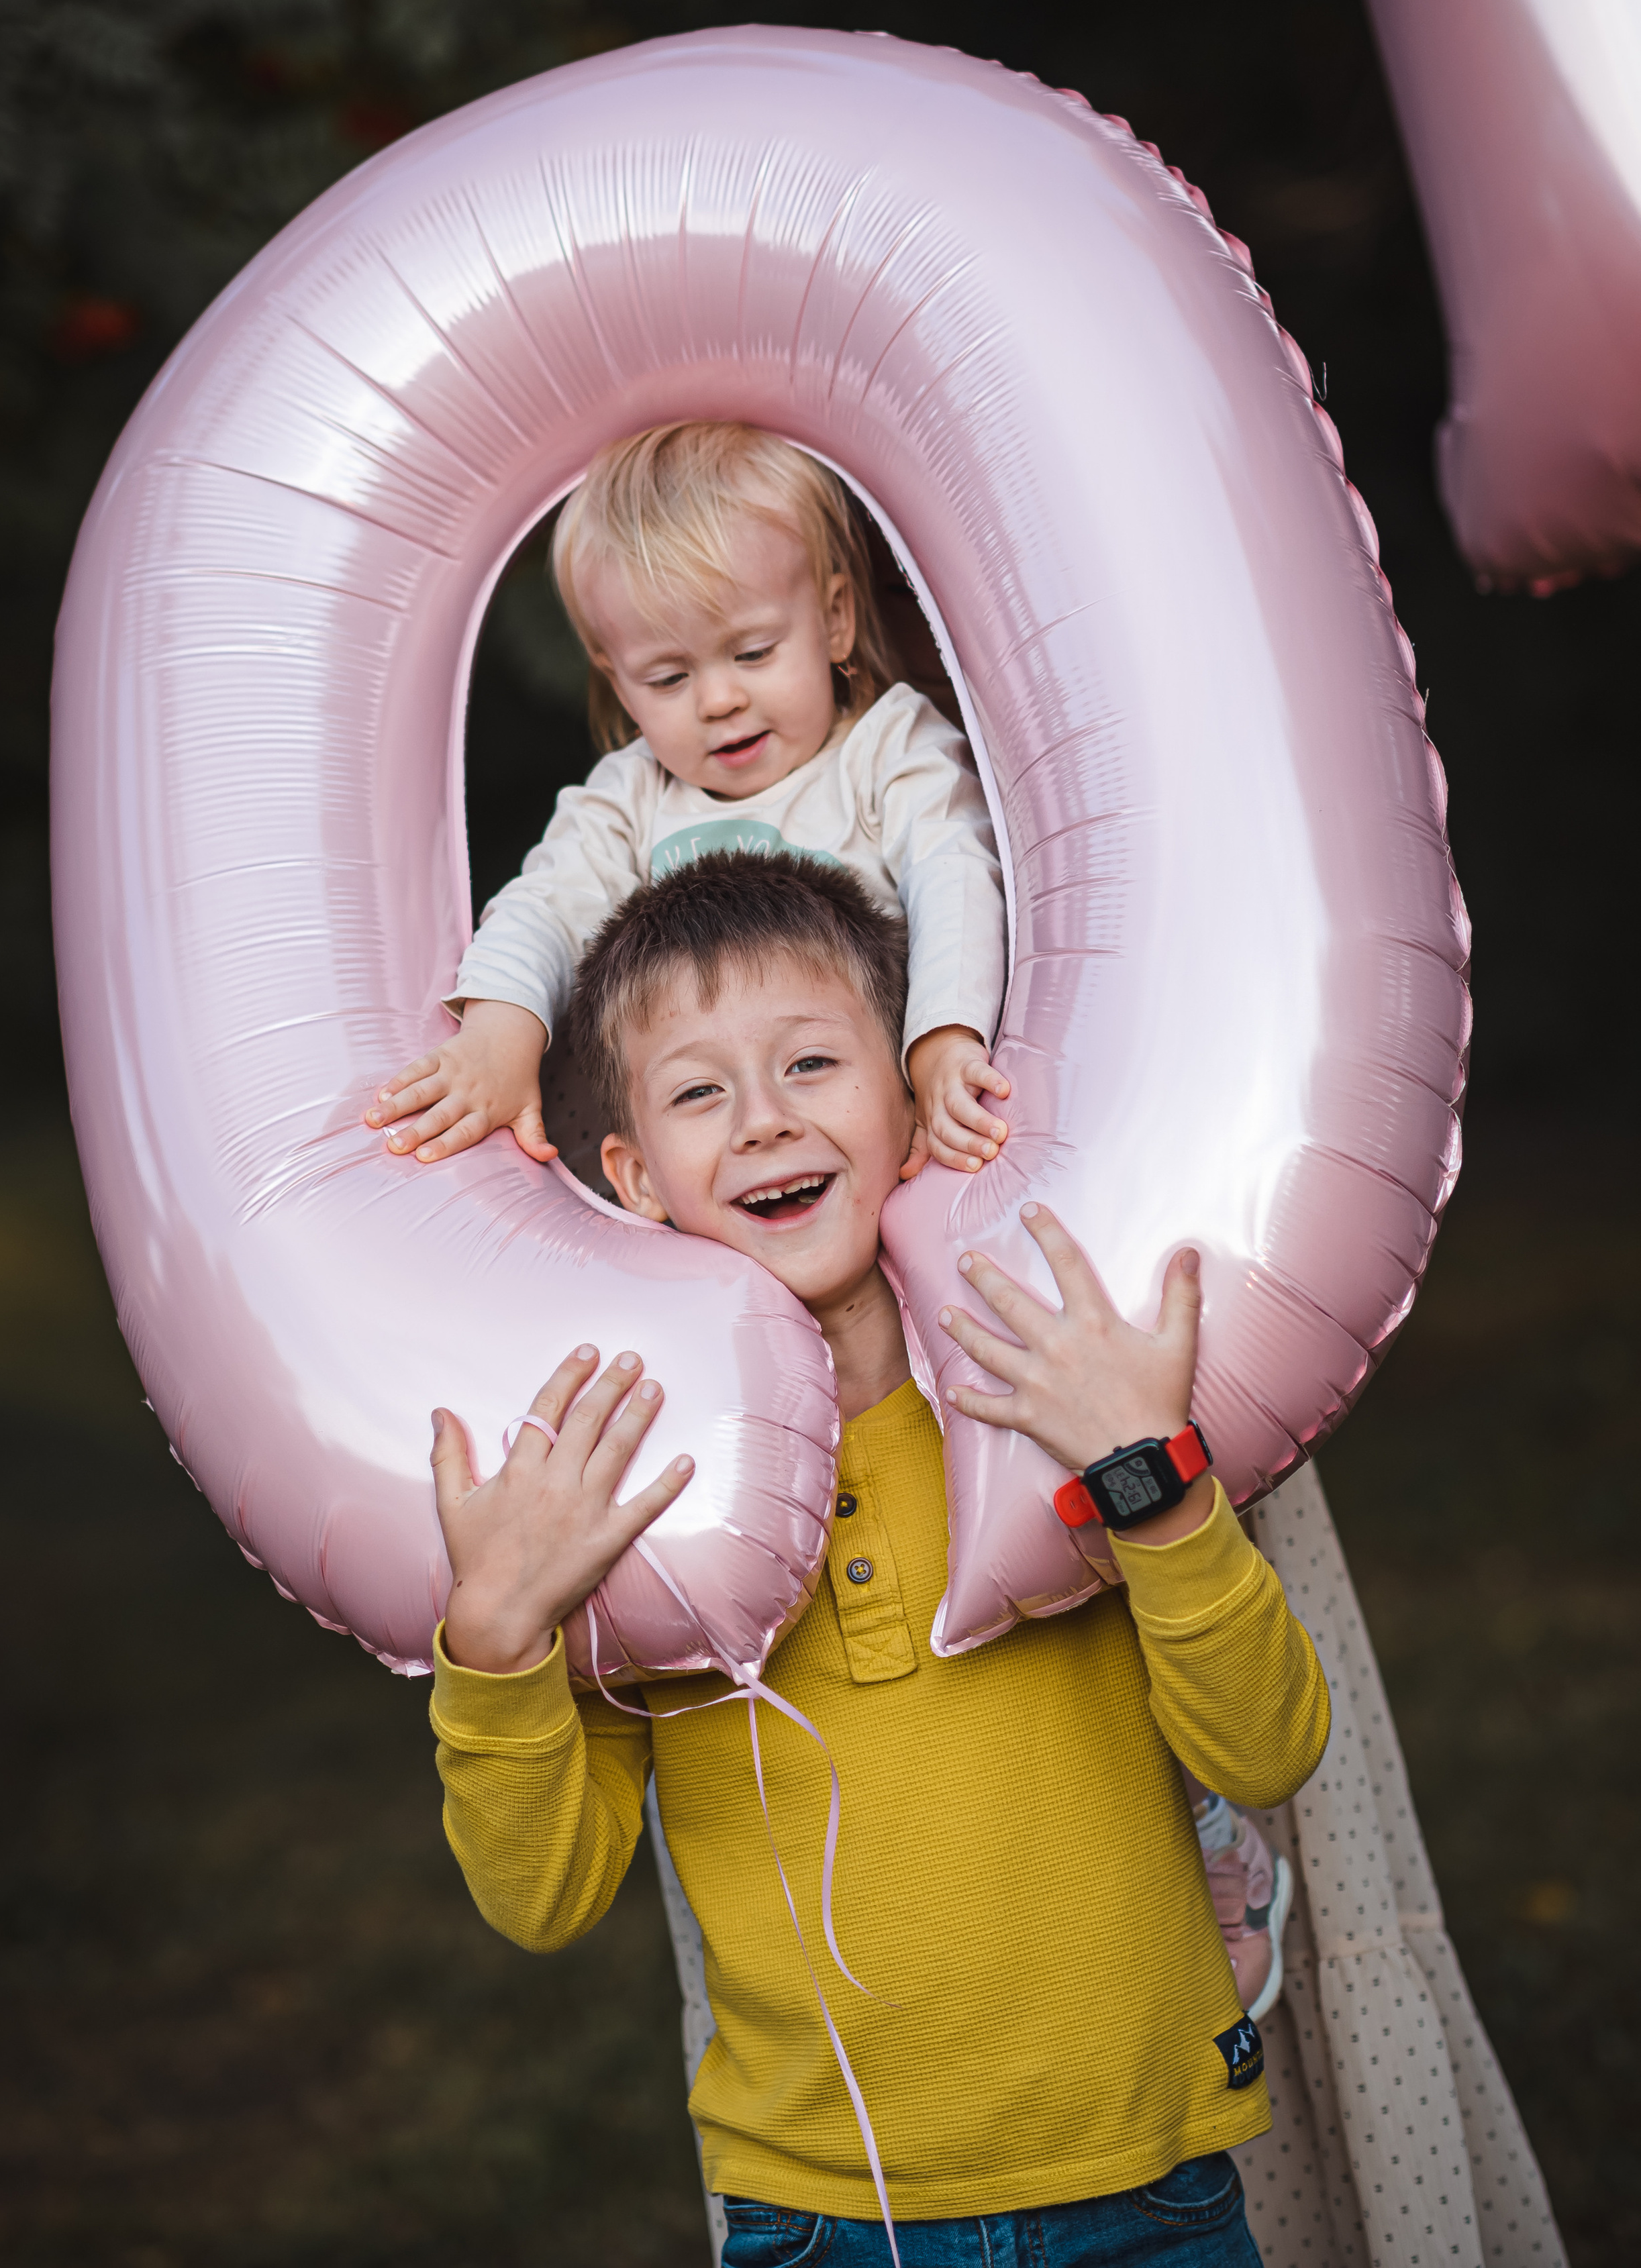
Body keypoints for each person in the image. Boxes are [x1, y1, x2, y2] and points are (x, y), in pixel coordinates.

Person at [426, 853, 1331, 2266]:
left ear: (911, 1105)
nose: (764, 1120)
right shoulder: (644, 1502)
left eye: (810, 1063)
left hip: (1150, 2184)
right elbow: (543, 1898)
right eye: (698, 1092)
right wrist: (494, 1642)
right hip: (825, 2216)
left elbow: (1269, 1749)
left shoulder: (1041, 1407)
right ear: (633, 1176)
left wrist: (1148, 1484)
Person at [363, 420, 1011, 1183]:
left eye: (753, 652)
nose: (718, 699)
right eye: (668, 678)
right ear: (616, 680)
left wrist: (941, 1044)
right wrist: (496, 1040)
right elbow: (545, 908)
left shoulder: (889, 751)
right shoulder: (630, 800)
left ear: (835, 619)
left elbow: (952, 873)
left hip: (859, 1131)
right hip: (708, 1159)